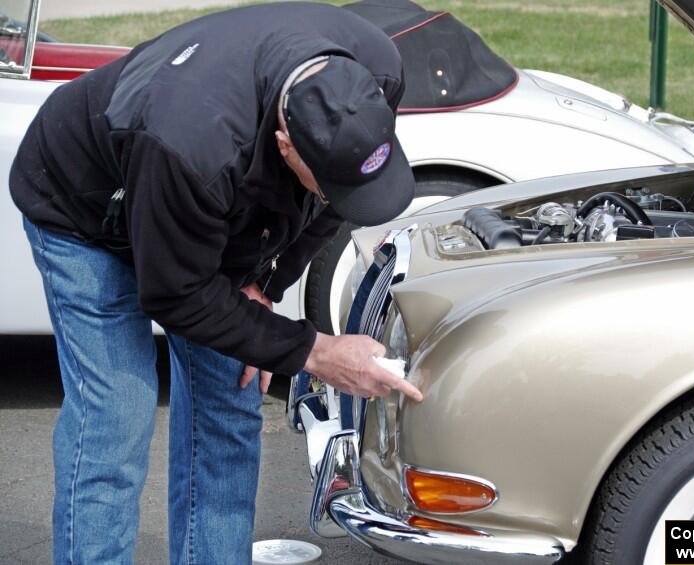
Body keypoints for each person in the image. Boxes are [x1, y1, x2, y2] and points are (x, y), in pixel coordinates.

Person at [9, 3, 423, 564]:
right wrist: (314, 352)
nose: (339, 202)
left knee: (229, 407)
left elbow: (329, 202)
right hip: (83, 205)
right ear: (285, 146)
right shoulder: (193, 144)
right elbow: (176, 294)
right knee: (117, 419)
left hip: (196, 204)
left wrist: (264, 282)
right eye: (327, 185)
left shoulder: (376, 70)